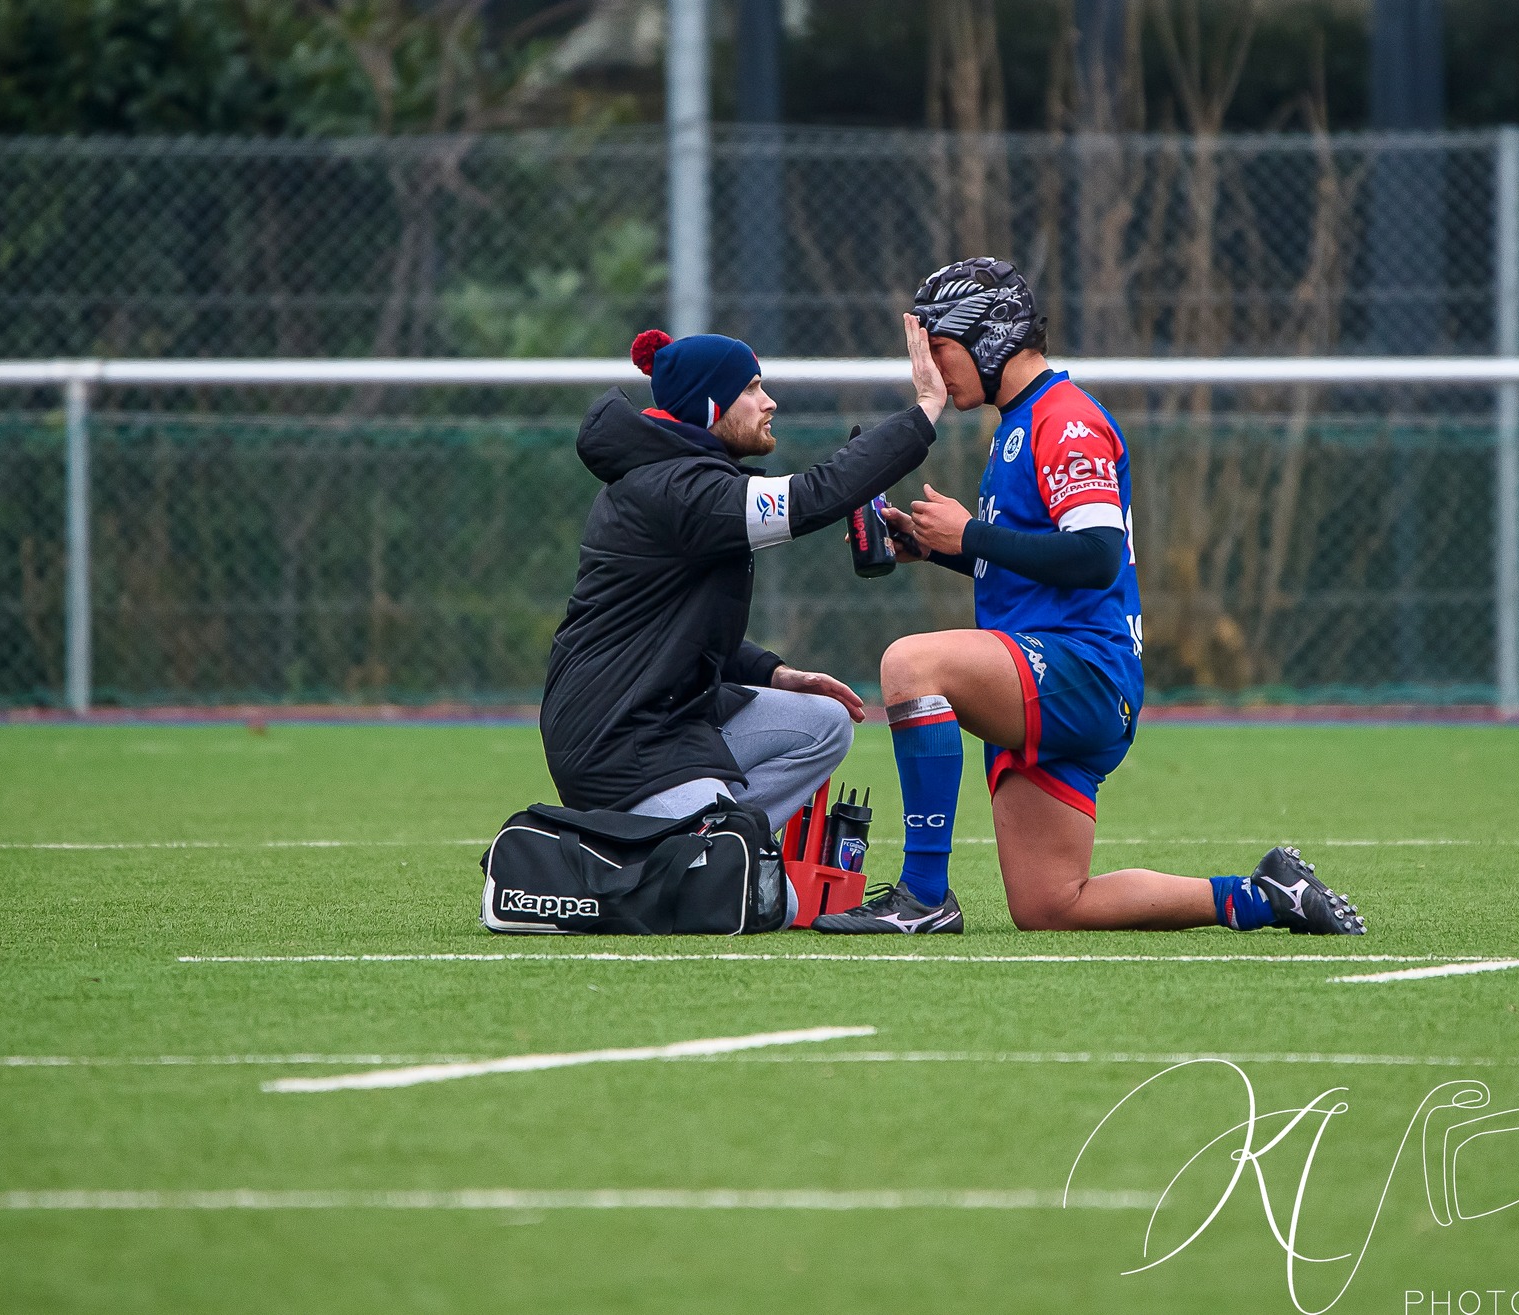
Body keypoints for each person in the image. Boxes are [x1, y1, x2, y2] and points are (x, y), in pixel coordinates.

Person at [812, 258, 1366, 936]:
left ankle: (924, 895)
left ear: (989, 336)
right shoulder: (1019, 421)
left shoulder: (1064, 418)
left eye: (939, 347)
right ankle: (1262, 895)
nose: (929, 365)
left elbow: (1097, 556)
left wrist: (973, 534)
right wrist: (942, 548)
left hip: (1081, 670)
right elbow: (1046, 567)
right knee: (1051, 905)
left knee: (909, 665)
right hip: (1059, 673)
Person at [540, 319, 952, 829]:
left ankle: (713, 848)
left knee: (824, 724)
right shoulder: (679, 490)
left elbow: (679, 632)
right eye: (752, 389)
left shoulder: (684, 477)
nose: (769, 402)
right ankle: (691, 852)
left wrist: (774, 674)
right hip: (618, 741)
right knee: (767, 903)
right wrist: (927, 409)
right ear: (710, 405)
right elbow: (814, 497)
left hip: (668, 721)